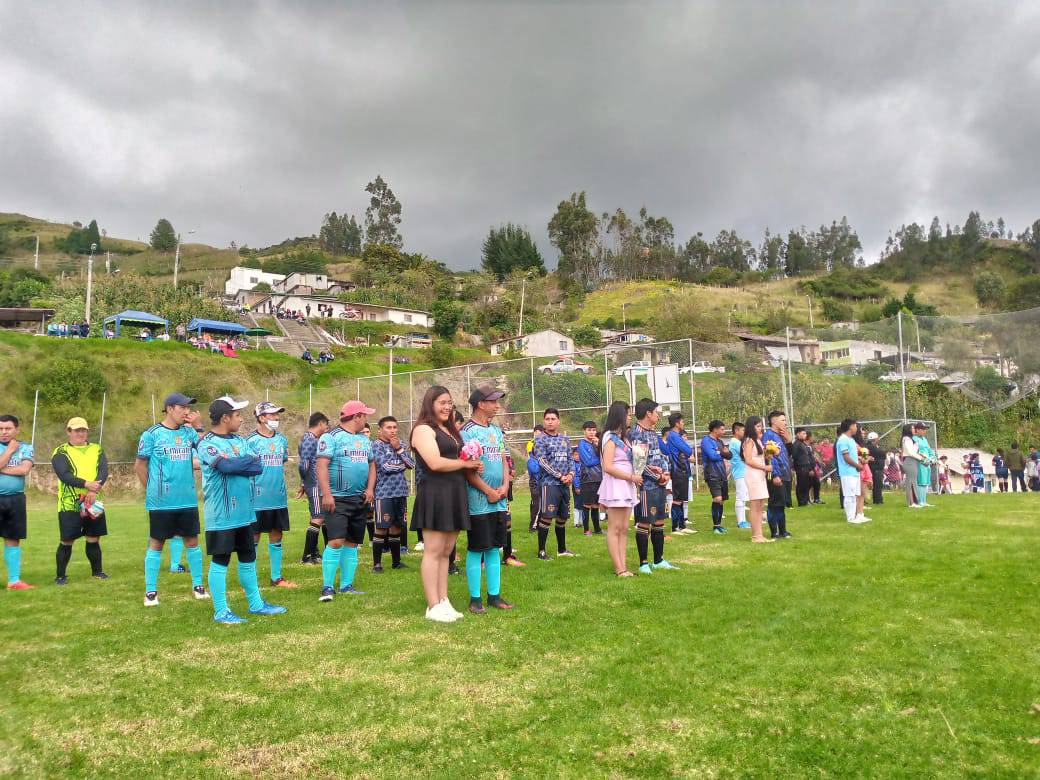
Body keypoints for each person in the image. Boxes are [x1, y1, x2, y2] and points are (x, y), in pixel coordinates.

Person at [198, 396, 286, 624]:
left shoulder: (239, 441)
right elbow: (226, 467)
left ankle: (256, 604)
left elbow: (257, 466)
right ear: (225, 418)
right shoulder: (207, 443)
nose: (241, 419)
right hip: (222, 514)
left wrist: (233, 464)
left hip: (245, 513)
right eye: (237, 415)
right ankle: (221, 611)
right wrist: (236, 464)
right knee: (221, 560)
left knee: (248, 558)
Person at [410, 386, 482, 622]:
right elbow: (434, 462)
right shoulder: (423, 429)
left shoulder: (448, 429)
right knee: (433, 551)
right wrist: (465, 464)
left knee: (446, 552)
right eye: (442, 402)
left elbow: (455, 458)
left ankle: (443, 600)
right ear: (430, 404)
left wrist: (472, 462)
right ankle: (432, 605)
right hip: (435, 493)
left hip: (454, 492)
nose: (447, 407)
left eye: (449, 402)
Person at [137, 393, 208, 606]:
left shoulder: (189, 432)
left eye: (188, 407)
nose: (187, 411)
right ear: (169, 408)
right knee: (157, 542)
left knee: (192, 541)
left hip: (187, 499)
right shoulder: (152, 434)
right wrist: (152, 490)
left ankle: (198, 586)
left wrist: (199, 427)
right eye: (182, 407)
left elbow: (207, 452)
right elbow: (140, 465)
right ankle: (150, 592)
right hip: (161, 502)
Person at [460, 386, 514, 613]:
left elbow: (503, 459)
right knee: (477, 548)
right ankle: (475, 598)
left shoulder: (495, 430)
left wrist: (505, 485)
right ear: (481, 404)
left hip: (499, 498)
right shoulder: (467, 431)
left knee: (494, 548)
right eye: (493, 402)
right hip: (479, 501)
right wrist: (488, 491)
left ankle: (494, 595)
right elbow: (466, 469)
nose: (497, 406)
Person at [316, 401, 376, 602]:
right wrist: (327, 494)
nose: (366, 419)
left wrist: (370, 489)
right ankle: (327, 587)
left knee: (352, 542)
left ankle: (346, 585)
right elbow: (321, 466)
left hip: (359, 498)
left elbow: (372, 465)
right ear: (356, 416)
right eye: (365, 415)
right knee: (336, 541)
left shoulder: (364, 440)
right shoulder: (330, 437)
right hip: (337, 498)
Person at [52, 417, 110, 584]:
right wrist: (86, 484)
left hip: (94, 500)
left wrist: (93, 489)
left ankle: (97, 572)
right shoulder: (60, 452)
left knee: (93, 537)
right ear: (68, 432)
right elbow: (64, 475)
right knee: (67, 540)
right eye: (76, 430)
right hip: (70, 503)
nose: (80, 433)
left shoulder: (97, 449)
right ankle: (61, 576)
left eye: (83, 430)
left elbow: (103, 471)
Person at [245, 402, 296, 589]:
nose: (276, 417)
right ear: (261, 418)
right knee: (253, 537)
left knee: (276, 534)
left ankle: (276, 578)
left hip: (278, 498)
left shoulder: (282, 439)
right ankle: (249, 580)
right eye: (272, 414)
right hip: (256, 499)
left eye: (277, 414)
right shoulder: (250, 441)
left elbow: (282, 462)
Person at [629, 398, 677, 573]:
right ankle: (643, 563)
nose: (658, 415)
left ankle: (658, 560)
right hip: (646, 486)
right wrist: (657, 477)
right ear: (648, 413)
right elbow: (639, 463)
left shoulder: (652, 432)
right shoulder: (637, 433)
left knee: (659, 521)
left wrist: (665, 472)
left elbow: (659, 456)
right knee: (644, 522)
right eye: (656, 412)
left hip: (659, 484)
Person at [598, 401, 638, 576]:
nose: (630, 417)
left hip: (626, 484)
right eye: (628, 414)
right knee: (614, 528)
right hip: (616, 485)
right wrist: (630, 477)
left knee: (623, 528)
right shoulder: (610, 437)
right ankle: (619, 568)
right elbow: (607, 466)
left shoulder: (624, 438)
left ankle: (624, 566)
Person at [371, 415, 414, 573]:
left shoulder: (400, 444)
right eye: (389, 427)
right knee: (382, 528)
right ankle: (377, 564)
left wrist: (399, 450)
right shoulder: (376, 446)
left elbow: (411, 464)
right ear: (380, 430)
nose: (393, 430)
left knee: (397, 527)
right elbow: (385, 467)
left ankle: (396, 562)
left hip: (401, 492)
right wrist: (401, 464)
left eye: (395, 427)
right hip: (384, 493)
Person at [532, 409, 576, 561]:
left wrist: (571, 474)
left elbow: (571, 459)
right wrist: (560, 476)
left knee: (562, 517)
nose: (550, 421)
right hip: (549, 484)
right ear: (544, 421)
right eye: (547, 419)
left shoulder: (565, 439)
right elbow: (542, 462)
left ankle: (562, 550)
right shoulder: (540, 440)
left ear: (558, 421)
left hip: (565, 484)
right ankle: (541, 552)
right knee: (547, 518)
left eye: (553, 419)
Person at [0, 414, 35, 589]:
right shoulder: (11, 448)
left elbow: (24, 470)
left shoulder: (26, 447)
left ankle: (13, 581)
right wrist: (9, 451)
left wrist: (2, 467)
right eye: (0, 429)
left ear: (17, 429)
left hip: (16, 499)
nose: (4, 432)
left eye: (8, 428)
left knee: (13, 538)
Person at [298, 412, 330, 564]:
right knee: (318, 517)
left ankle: (315, 553)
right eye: (326, 424)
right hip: (315, 484)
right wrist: (305, 482)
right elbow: (304, 464)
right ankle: (306, 556)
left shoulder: (313, 439)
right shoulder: (309, 439)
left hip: (316, 483)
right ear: (320, 423)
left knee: (320, 517)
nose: (327, 427)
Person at [740, 416, 773, 543]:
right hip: (753, 474)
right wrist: (765, 467)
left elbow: (758, 456)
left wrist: (768, 455)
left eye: (761, 426)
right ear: (751, 427)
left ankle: (760, 534)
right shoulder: (749, 441)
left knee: (761, 504)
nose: (760, 429)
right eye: (758, 426)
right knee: (754, 505)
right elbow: (748, 460)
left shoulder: (757, 440)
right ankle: (755, 536)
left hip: (760, 474)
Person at [762, 410, 792, 539]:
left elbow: (788, 454)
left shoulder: (780, 436)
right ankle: (774, 532)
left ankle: (783, 531)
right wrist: (775, 475)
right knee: (774, 504)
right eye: (783, 420)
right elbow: (769, 457)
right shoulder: (768, 435)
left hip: (785, 473)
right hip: (775, 474)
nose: (785, 423)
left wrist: (789, 441)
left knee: (781, 504)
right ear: (774, 421)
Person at [665, 413, 694, 534]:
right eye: (682, 421)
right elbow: (688, 450)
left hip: (683, 470)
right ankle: (675, 527)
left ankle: (682, 526)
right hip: (678, 470)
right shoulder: (674, 436)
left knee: (681, 499)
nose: (683, 423)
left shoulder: (676, 436)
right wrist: (685, 452)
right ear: (677, 423)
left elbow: (686, 451)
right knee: (677, 499)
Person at [700, 420, 731, 535]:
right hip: (712, 474)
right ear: (715, 429)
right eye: (722, 429)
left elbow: (729, 455)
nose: (724, 431)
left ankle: (719, 525)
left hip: (722, 473)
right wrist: (722, 453)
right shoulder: (706, 441)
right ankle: (715, 527)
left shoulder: (720, 442)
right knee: (717, 499)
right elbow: (712, 456)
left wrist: (721, 453)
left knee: (721, 500)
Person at [836, 419, 869, 524]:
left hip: (854, 471)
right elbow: (846, 457)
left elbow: (854, 455)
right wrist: (858, 465)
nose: (856, 428)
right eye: (855, 426)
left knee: (855, 495)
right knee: (849, 495)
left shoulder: (851, 440)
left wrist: (861, 461)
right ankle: (850, 518)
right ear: (850, 427)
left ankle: (856, 516)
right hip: (847, 472)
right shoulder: (843, 440)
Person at [577, 421, 603, 535]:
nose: (592, 432)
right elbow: (588, 462)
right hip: (587, 479)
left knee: (596, 505)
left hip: (599, 478)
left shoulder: (596, 443)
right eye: (589, 430)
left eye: (593, 430)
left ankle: (597, 529)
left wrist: (598, 446)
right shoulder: (582, 444)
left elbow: (604, 454)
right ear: (584, 431)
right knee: (587, 505)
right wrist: (602, 460)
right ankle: (586, 530)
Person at [728, 421, 749, 529]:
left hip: (743, 472)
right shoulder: (735, 443)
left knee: (743, 497)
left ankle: (743, 520)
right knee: (740, 497)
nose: (744, 432)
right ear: (736, 431)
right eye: (743, 430)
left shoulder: (738, 442)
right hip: (740, 472)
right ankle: (741, 522)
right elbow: (746, 455)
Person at [900, 423, 927, 508]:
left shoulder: (910, 439)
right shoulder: (907, 439)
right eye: (912, 428)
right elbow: (911, 452)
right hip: (909, 461)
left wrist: (920, 455)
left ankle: (914, 502)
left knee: (913, 481)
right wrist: (921, 458)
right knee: (911, 482)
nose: (914, 429)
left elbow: (913, 451)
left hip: (912, 461)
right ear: (908, 430)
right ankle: (911, 503)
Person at [791, 427, 816, 507]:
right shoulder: (796, 444)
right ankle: (802, 501)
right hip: (801, 467)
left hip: (806, 467)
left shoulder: (802, 444)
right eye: (803, 433)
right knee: (801, 484)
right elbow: (794, 456)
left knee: (806, 484)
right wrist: (797, 466)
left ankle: (806, 500)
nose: (805, 435)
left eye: (805, 433)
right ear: (798, 434)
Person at [913, 423, 936, 507]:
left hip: (927, 463)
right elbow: (915, 452)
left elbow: (929, 450)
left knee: (925, 482)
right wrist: (923, 459)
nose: (924, 431)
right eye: (923, 429)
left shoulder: (925, 439)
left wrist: (933, 457)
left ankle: (924, 501)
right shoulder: (914, 439)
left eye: (925, 429)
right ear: (917, 430)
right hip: (920, 463)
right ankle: (920, 501)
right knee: (920, 482)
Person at [865, 431, 885, 505]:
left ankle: (877, 500)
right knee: (877, 485)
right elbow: (883, 453)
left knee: (875, 485)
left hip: (873, 467)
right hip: (876, 468)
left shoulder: (868, 446)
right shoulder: (872, 447)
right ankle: (878, 500)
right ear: (876, 439)